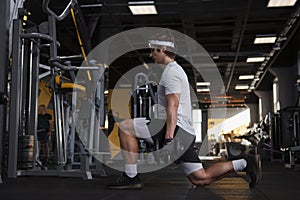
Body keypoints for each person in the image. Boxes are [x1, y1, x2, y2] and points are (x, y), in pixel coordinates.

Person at [106, 32, 261, 190]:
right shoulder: (173, 70)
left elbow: (173, 105)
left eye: (153, 50)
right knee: (200, 179)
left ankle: (131, 176)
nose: (151, 54)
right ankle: (245, 163)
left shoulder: (171, 72)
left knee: (125, 127)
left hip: (175, 130)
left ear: (163, 49)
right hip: (182, 131)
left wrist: (168, 138)